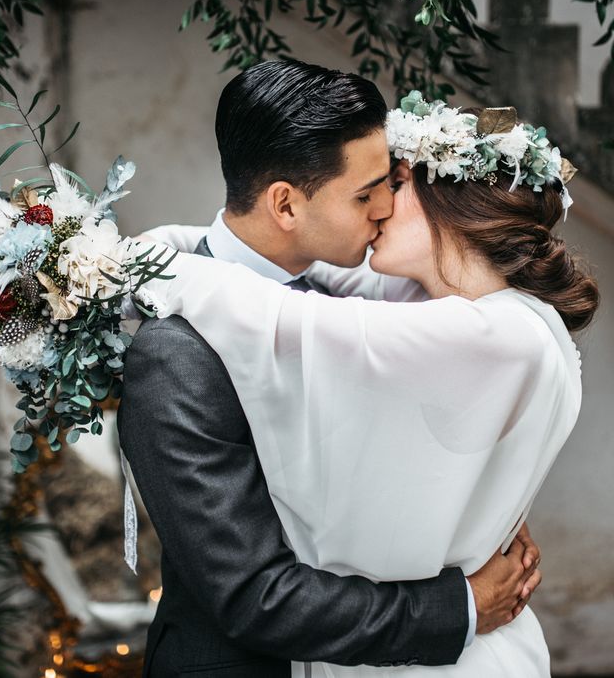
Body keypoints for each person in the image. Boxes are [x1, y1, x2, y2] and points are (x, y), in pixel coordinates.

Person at [137, 81, 600, 676]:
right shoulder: (433, 309)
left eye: (395, 184)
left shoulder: (482, 334)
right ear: (285, 205)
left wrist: (129, 265)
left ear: (452, 210)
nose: (382, 205)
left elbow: (295, 318)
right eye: (370, 192)